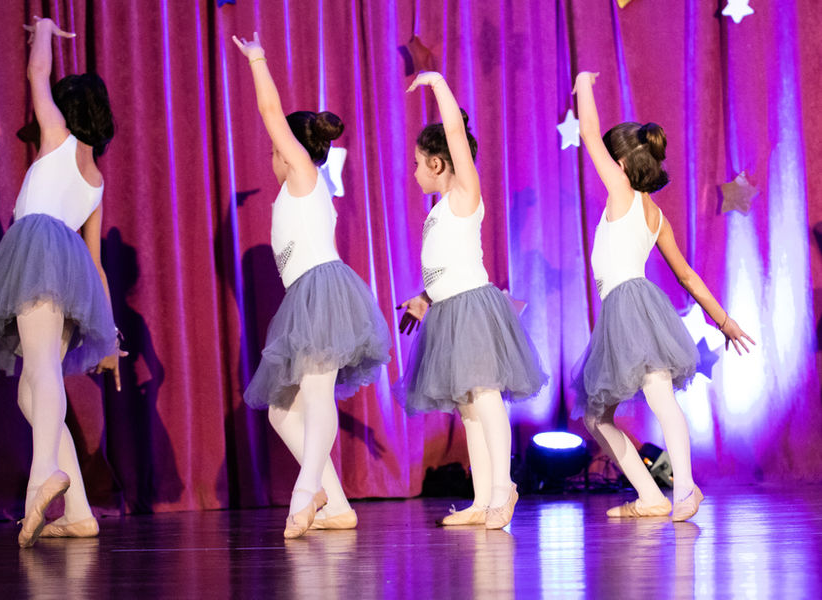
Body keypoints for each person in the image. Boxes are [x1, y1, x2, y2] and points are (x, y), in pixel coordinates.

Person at [0, 16, 123, 547]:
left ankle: (42, 478)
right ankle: (78, 511)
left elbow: (36, 72)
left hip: (39, 254)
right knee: (32, 395)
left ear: (67, 109)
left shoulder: (56, 136)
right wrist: (109, 334)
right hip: (72, 272)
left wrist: (48, 30)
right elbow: (96, 263)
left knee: (40, 376)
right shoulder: (96, 178)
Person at [571, 71, 755, 521]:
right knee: (603, 415)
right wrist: (723, 320)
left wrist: (583, 83)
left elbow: (589, 132)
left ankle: (684, 490)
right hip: (633, 309)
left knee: (637, 404)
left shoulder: (621, 192)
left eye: (609, 159)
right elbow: (688, 276)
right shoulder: (655, 215)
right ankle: (654, 496)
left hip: (628, 307)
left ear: (619, 163)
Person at [232, 33, 391, 539]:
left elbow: (270, 111)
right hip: (306, 295)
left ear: (292, 150)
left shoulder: (303, 173)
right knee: (283, 412)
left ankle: (305, 495)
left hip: (322, 292)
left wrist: (258, 59)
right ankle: (335, 503)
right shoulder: (299, 188)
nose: (273, 156)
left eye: (276, 149)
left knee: (317, 397)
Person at [396, 71, 547, 529]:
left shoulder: (465, 193)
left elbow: (455, 134)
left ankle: (503, 490)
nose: (414, 171)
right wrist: (424, 297)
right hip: (448, 311)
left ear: (438, 163)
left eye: (418, 163)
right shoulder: (440, 209)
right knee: (468, 407)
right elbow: (446, 262)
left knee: (485, 397)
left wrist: (438, 84)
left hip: (473, 309)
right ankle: (482, 499)